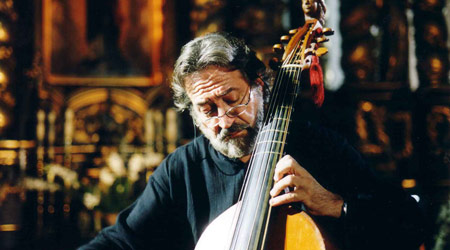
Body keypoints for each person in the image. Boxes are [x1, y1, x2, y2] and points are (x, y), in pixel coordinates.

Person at [79, 32, 425, 250]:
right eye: (207, 109)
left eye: (233, 99)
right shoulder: (183, 168)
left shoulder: (318, 147)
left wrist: (330, 203)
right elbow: (123, 240)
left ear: (259, 86)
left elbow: (409, 223)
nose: (224, 120)